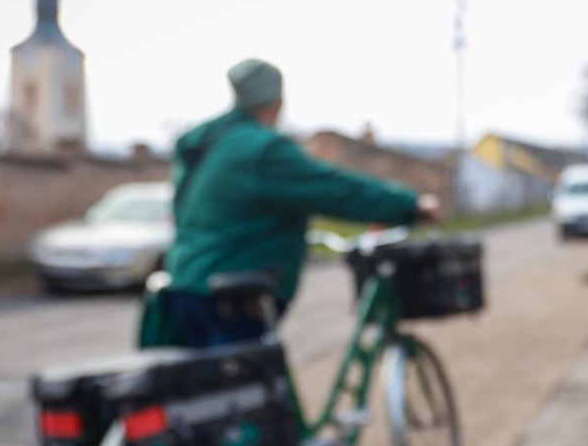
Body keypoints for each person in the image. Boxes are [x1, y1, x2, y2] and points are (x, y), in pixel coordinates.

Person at [162, 58, 440, 347]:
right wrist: (411, 205)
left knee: (207, 385)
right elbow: (335, 190)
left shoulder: (205, 144)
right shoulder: (264, 150)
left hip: (184, 284)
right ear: (277, 101)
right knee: (250, 384)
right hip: (233, 296)